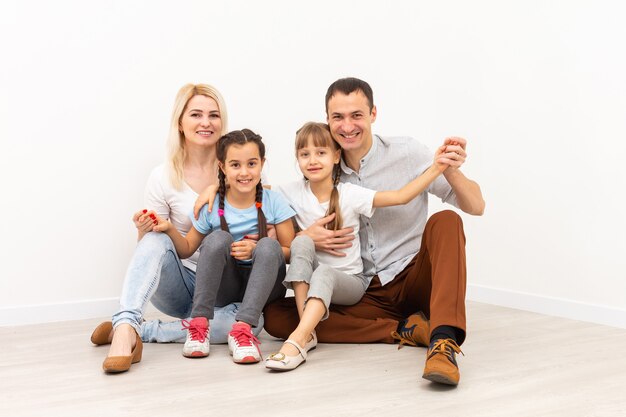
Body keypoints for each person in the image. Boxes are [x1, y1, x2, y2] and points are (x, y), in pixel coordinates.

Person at [263, 77, 485, 386]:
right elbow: (266, 193)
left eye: (356, 115)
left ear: (373, 114)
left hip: (411, 277)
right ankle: (404, 328)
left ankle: (443, 341)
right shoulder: (322, 166)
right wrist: (304, 236)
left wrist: (448, 167)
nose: (347, 125)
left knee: (447, 220)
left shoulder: (407, 152)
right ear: (328, 120)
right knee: (275, 317)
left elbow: (476, 206)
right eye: (338, 117)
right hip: (364, 290)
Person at [90, 84, 256, 374]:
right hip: (182, 287)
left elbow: (266, 203)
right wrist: (145, 230)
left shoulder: (239, 168)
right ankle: (127, 322)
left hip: (224, 289)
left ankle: (143, 331)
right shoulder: (162, 176)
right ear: (180, 122)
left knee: (246, 325)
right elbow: (153, 249)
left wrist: (219, 184)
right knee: (155, 238)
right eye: (196, 114)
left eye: (214, 115)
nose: (206, 122)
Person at [264, 122, 448, 371]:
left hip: (351, 283)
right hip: (315, 281)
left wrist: (436, 168)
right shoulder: (291, 191)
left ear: (336, 155)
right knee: (303, 242)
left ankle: (297, 339)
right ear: (297, 159)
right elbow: (251, 188)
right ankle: (306, 332)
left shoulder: (349, 193)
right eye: (304, 154)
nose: (312, 160)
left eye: (321, 152)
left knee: (324, 272)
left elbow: (400, 196)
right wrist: (215, 187)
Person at [153, 129, 296, 364]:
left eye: (252, 164)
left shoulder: (275, 201)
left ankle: (243, 330)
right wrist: (168, 228)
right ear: (222, 167)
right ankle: (199, 325)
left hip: (265, 286)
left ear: (262, 164)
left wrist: (255, 248)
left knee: (269, 245)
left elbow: (289, 252)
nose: (244, 172)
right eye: (235, 165)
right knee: (217, 239)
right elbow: (187, 248)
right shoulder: (212, 205)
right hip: (226, 285)